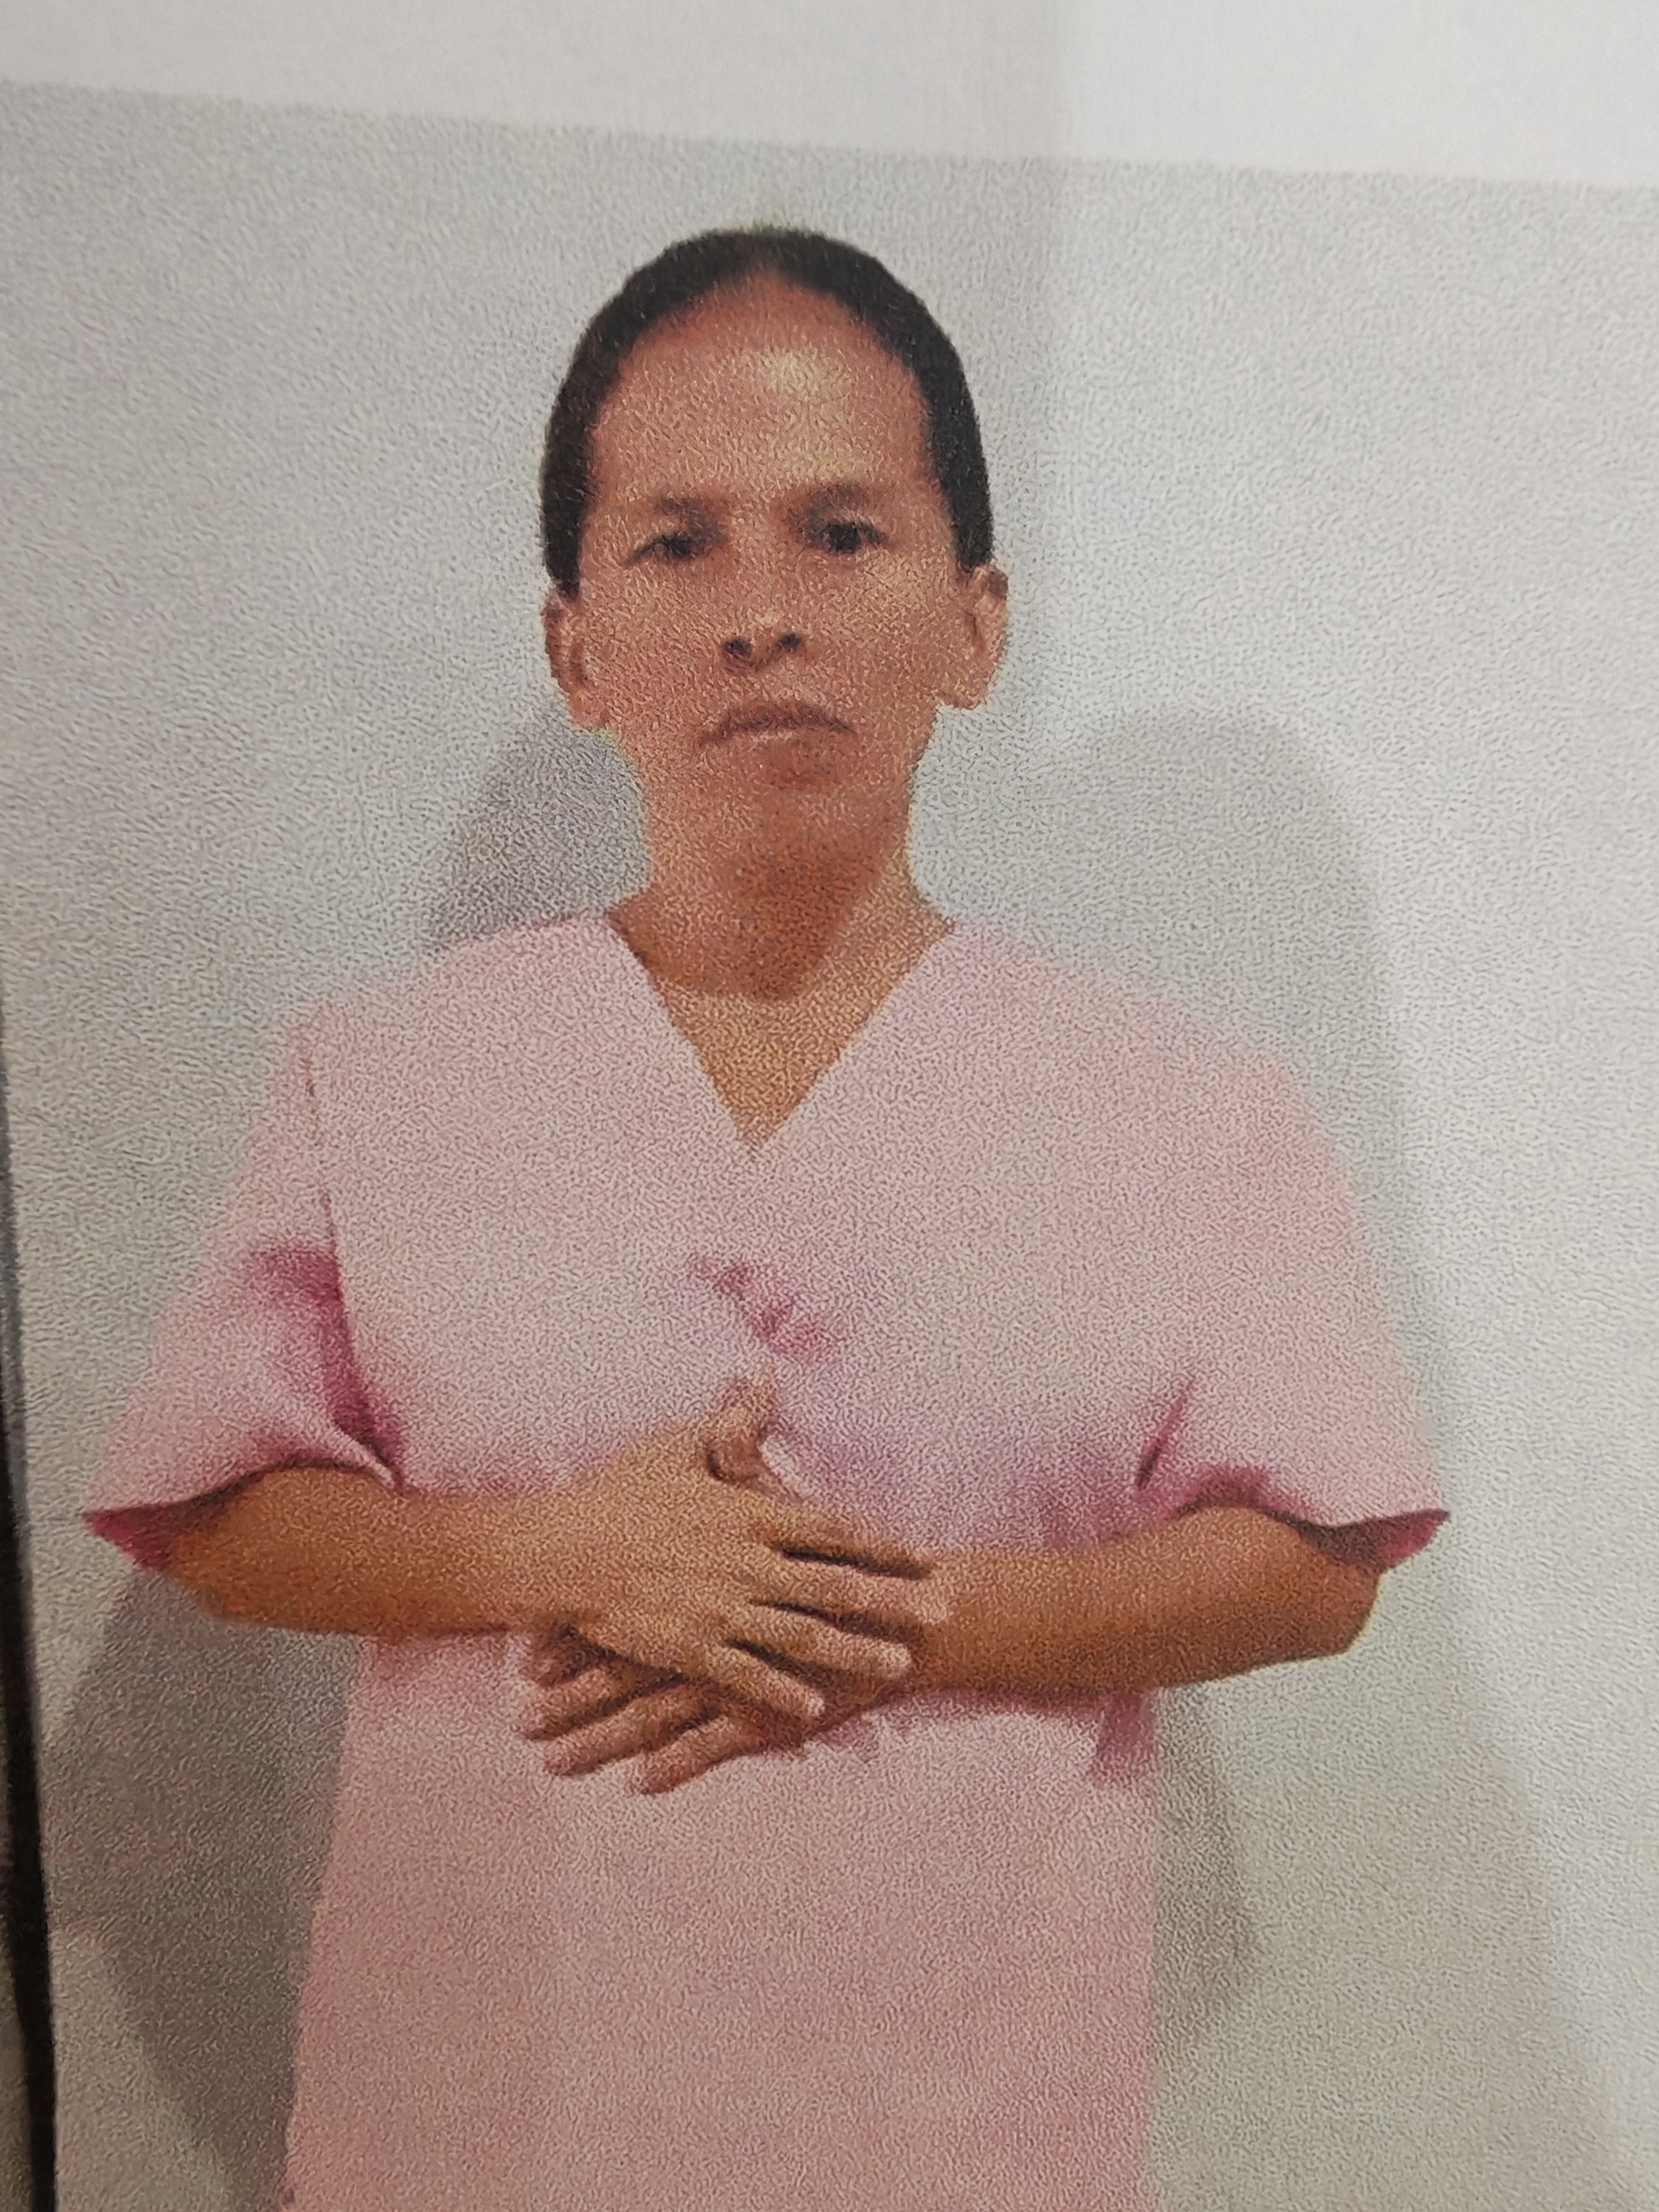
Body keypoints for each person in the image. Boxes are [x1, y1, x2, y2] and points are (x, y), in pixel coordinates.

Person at [84, 227, 1447, 2212]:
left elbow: (1315, 1561)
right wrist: (549, 1551)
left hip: (961, 2126)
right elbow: (217, 1509)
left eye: (841, 533)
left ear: (974, 622)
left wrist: (893, 1623)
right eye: (677, 546)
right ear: (577, 652)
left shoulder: (1187, 1109)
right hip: (481, 2126)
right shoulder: (380, 1076)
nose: (762, 616)